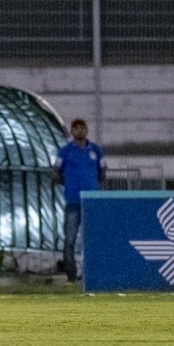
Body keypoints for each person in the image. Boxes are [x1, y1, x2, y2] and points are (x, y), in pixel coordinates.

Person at [54, 118, 106, 282]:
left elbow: (103, 171)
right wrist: (69, 184)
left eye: (82, 128)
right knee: (70, 238)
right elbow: (56, 171)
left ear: (87, 130)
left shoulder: (96, 150)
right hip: (73, 201)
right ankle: (71, 275)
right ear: (72, 132)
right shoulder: (65, 151)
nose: (79, 131)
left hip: (91, 202)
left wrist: (97, 187)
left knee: (91, 238)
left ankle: (90, 273)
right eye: (75, 128)